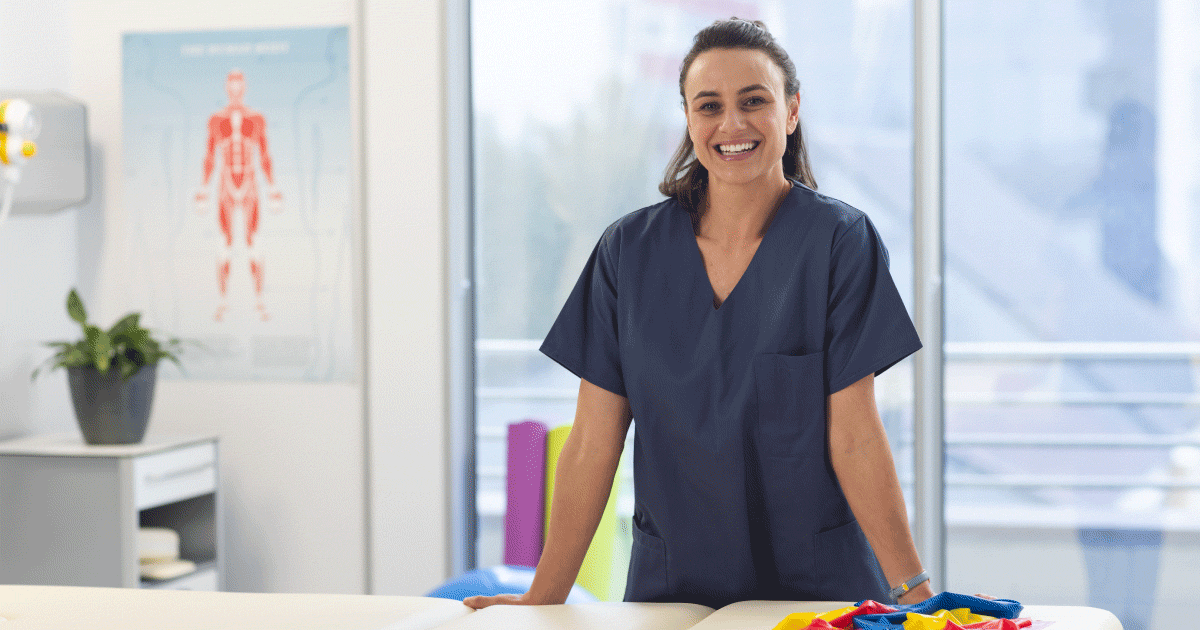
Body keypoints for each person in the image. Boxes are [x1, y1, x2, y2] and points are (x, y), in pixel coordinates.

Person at [466, 17, 932, 610]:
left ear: (791, 112)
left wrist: (916, 596)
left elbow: (858, 438)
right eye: (709, 105)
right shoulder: (628, 253)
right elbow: (593, 439)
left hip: (819, 591)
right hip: (675, 590)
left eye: (754, 101)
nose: (731, 124)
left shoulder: (839, 243)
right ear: (688, 119)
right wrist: (544, 596)